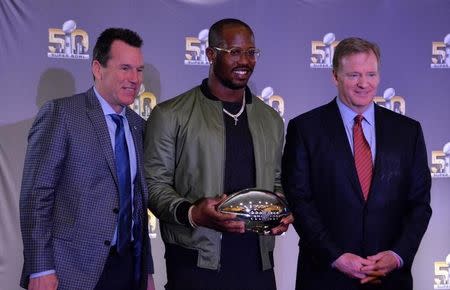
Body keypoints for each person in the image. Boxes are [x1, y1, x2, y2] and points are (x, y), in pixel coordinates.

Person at [144, 18, 292, 290]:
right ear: (211, 54)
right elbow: (153, 185)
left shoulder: (271, 120)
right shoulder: (170, 115)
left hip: (257, 265)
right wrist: (192, 213)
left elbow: (277, 182)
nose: (244, 60)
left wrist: (281, 210)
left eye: (250, 52)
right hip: (195, 264)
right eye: (234, 52)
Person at [282, 37, 432, 290]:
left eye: (371, 74)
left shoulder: (408, 131)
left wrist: (396, 257)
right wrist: (336, 257)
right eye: (353, 75)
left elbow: (419, 204)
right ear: (335, 76)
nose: (364, 83)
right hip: (325, 277)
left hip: (389, 279)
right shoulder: (305, 129)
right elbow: (299, 200)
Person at [20, 28, 155, 290]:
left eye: (139, 70)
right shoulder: (62, 114)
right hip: (70, 271)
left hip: (129, 270)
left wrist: (146, 271)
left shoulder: (139, 126)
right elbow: (36, 195)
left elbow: (138, 204)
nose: (134, 79)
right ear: (97, 68)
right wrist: (40, 268)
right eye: (125, 68)